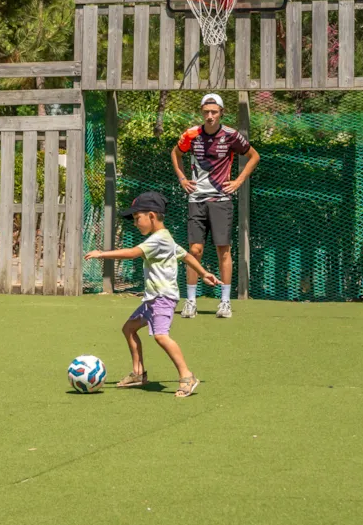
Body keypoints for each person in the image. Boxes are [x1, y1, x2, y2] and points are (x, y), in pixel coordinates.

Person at [85, 191, 220, 398]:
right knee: (129, 329)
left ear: (152, 215)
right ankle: (138, 374)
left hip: (163, 297)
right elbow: (185, 255)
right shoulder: (166, 238)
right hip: (152, 298)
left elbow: (132, 253)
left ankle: (187, 376)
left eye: (137, 218)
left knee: (161, 336)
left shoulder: (158, 239)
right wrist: (203, 273)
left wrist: (102, 254)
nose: (136, 223)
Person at [171, 93, 260, 319]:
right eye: (206, 112)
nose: (209, 116)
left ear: (221, 113)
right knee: (194, 251)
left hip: (221, 200)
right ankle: (190, 301)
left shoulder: (231, 135)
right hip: (196, 200)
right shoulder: (191, 134)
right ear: (202, 112)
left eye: (214, 112)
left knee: (224, 251)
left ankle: (225, 302)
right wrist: (182, 178)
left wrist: (239, 181)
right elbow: (175, 153)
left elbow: (254, 156)